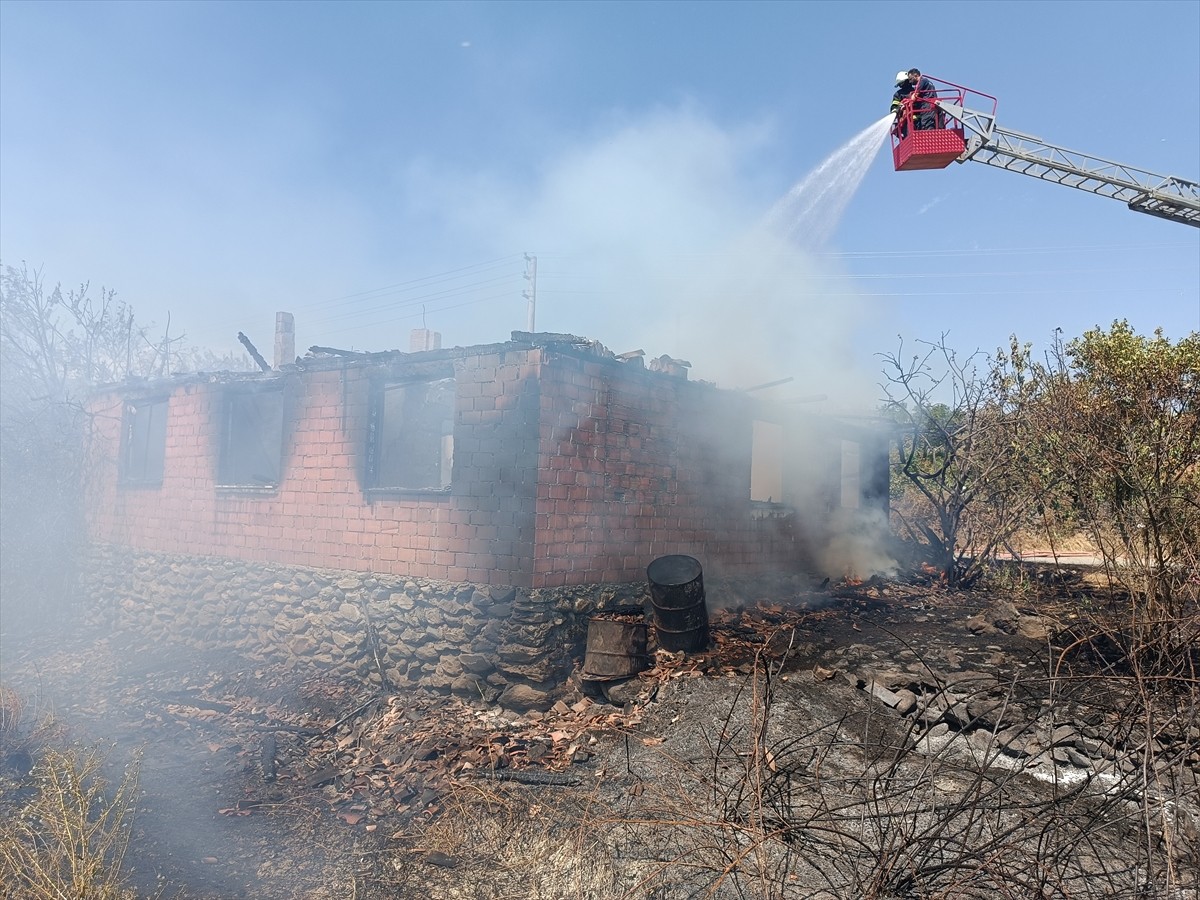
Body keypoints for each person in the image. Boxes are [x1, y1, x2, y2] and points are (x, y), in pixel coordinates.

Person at [890, 70, 913, 137]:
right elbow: (894, 106)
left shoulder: (916, 91)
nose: (900, 86)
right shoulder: (898, 94)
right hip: (906, 121)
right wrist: (896, 110)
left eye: (901, 84)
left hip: (918, 120)